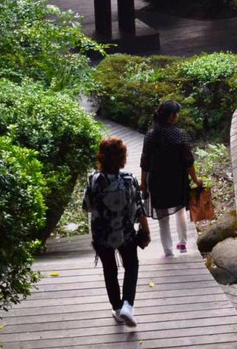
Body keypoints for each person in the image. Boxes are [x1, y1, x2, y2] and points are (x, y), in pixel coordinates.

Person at [82, 135, 151, 328]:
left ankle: (117, 308)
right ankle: (128, 304)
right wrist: (145, 232)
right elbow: (139, 209)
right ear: (122, 158)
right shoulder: (129, 180)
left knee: (109, 270)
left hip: (102, 234)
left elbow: (87, 206)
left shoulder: (94, 180)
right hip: (125, 233)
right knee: (131, 266)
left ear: (101, 157)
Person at [140, 100, 202, 257]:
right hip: (177, 180)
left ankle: (168, 251)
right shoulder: (180, 135)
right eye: (176, 113)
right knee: (180, 211)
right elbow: (188, 161)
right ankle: (182, 244)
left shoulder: (151, 135)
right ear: (171, 117)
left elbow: (145, 162)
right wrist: (195, 180)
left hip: (158, 182)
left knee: (162, 218)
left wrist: (143, 182)